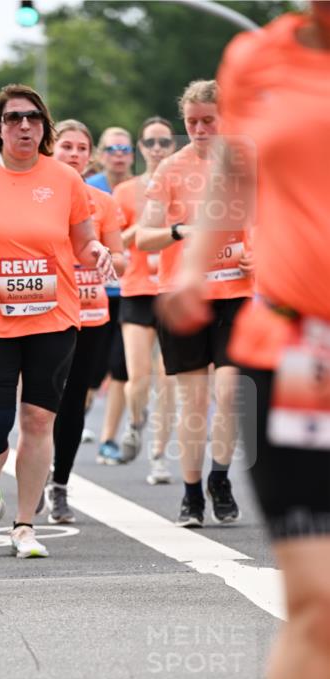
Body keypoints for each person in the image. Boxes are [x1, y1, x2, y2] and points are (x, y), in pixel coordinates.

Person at [159, 3, 330, 679]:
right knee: (315, 599)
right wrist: (191, 264)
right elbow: (230, 174)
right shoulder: (252, 60)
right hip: (294, 348)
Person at [0, 84, 113, 559]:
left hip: (53, 316)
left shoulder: (65, 179)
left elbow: (83, 240)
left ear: (44, 126)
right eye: (14, 118)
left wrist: (97, 252)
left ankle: (25, 524)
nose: (25, 126)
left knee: (37, 420)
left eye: (33, 118)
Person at [137, 80, 254, 527]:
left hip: (234, 295)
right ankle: (191, 494)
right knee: (193, 400)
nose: (201, 128)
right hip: (182, 296)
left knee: (227, 395)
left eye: (209, 120)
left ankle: (219, 478)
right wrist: (180, 232)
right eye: (192, 122)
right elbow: (145, 238)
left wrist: (252, 252)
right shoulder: (170, 169)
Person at [46, 119, 125, 522]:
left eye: (80, 148)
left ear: (89, 155)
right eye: (66, 147)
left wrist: (108, 260)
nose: (74, 154)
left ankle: (59, 483)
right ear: (51, 150)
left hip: (91, 314)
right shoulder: (38, 195)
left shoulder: (103, 201)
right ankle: (31, 470)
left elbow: (123, 257)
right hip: (43, 312)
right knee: (40, 402)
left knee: (74, 401)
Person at [114, 116, 177, 482]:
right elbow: (116, 242)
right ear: (140, 148)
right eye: (150, 142)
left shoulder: (183, 185)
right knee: (138, 376)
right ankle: (136, 422)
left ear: (172, 147)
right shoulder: (126, 192)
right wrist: (146, 225)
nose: (156, 149)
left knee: (167, 375)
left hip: (170, 288)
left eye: (164, 142)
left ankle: (158, 456)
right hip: (137, 289)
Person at [87, 126, 134, 467]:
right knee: (90, 371)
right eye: (112, 148)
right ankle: (80, 410)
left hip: (132, 290)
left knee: (121, 368)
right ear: (101, 155)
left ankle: (108, 438)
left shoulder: (144, 190)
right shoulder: (90, 190)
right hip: (93, 292)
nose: (119, 155)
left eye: (125, 148)